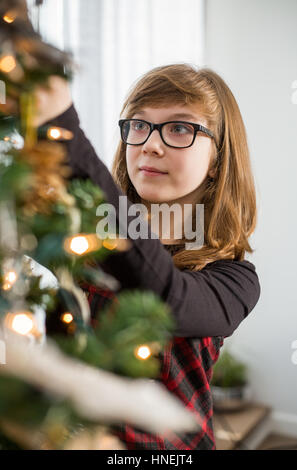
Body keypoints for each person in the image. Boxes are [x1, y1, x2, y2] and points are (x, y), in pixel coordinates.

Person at [35, 63, 261, 450]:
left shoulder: (234, 280)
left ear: (217, 161)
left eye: (179, 128)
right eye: (139, 125)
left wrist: (62, 126)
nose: (149, 144)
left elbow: (164, 293)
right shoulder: (82, 238)